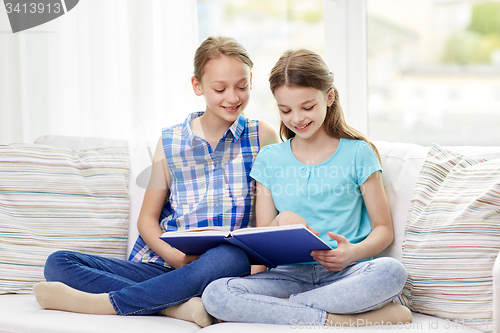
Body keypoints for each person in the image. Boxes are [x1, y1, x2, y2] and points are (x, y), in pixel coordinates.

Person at [33, 36, 278, 327]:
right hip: (168, 266)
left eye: (242, 86)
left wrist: (258, 273)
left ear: (251, 80)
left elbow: (265, 229)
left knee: (230, 256)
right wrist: (175, 258)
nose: (233, 97)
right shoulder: (171, 140)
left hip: (223, 268)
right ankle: (172, 306)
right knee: (58, 263)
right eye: (220, 89)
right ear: (197, 86)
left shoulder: (261, 135)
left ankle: (111, 303)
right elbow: (147, 220)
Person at [202, 49, 412, 326]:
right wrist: (281, 221)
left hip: (346, 274)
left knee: (392, 271)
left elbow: (383, 230)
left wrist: (351, 253)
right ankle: (338, 319)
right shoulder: (270, 158)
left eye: (308, 107)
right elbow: (263, 242)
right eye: (285, 110)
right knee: (217, 294)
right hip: (289, 276)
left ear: (329, 97)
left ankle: (290, 311)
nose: (297, 119)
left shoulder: (359, 153)